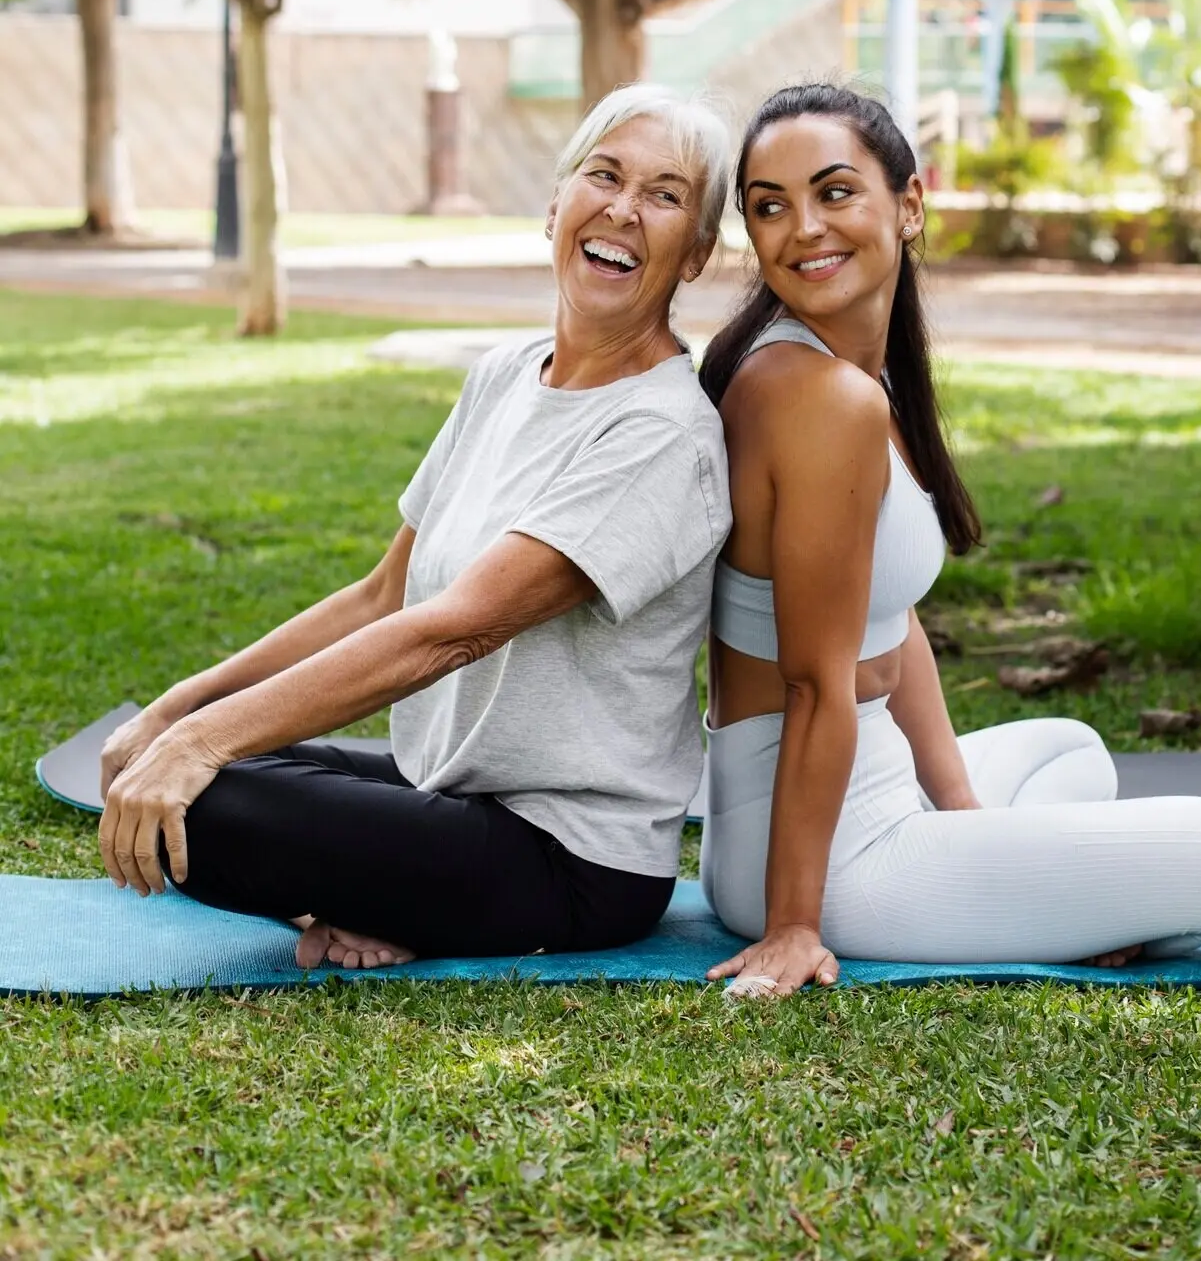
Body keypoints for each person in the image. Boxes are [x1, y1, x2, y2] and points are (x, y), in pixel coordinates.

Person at [98, 85, 732, 969]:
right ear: (557, 203)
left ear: (696, 252)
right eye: (604, 175)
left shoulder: (663, 434)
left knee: (205, 798)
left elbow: (450, 630)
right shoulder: (507, 373)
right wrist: (179, 711)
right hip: (448, 788)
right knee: (199, 767)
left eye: (666, 196)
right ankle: (390, 899)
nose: (623, 210)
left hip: (566, 855)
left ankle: (402, 901)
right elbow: (380, 597)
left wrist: (196, 741)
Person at [697, 83, 1201, 996]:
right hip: (827, 849)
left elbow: (890, 625)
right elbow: (815, 683)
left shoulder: (856, 375)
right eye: (769, 207)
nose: (803, 226)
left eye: (833, 191)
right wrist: (794, 926)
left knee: (1070, 750)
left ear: (909, 203)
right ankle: (1023, 892)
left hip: (840, 791)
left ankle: (1014, 876)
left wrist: (964, 817)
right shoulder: (815, 395)